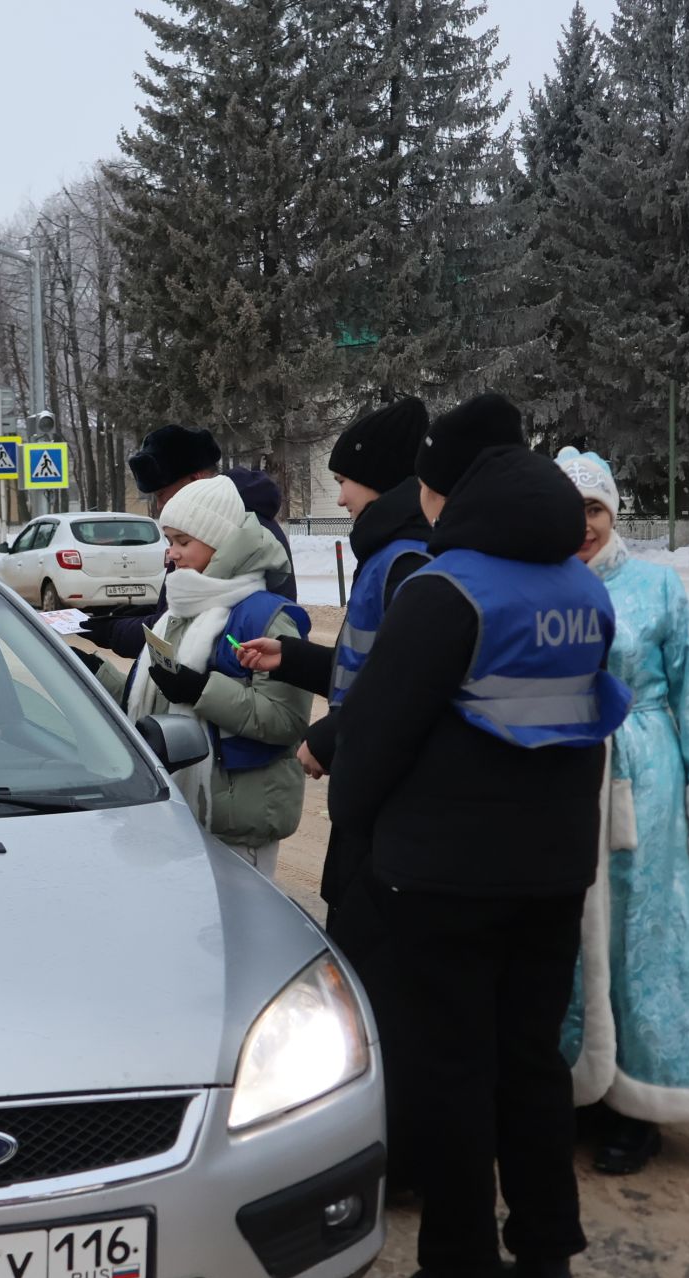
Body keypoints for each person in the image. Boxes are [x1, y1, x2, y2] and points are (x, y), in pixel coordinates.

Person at [327, 393, 630, 1278]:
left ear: (444, 492)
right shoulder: (583, 592)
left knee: (453, 1072)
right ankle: (547, 1274)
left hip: (444, 881)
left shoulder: (446, 590)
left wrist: (355, 823)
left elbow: (372, 742)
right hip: (550, 875)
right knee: (531, 1065)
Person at [231, 392, 431, 1187]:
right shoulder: (387, 554)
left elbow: (404, 683)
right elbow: (364, 669)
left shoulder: (407, 560)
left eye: (346, 480)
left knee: (382, 974)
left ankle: (399, 1151)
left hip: (384, 798)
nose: (338, 493)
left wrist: (329, 736)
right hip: (370, 791)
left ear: (379, 484)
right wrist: (302, 663)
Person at [554, 447, 689, 1175]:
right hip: (567, 776)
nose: (584, 527)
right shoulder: (542, 587)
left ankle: (643, 1103)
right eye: (571, 514)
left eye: (595, 511)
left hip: (648, 782)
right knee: (567, 934)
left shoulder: (658, 588)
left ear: (613, 513)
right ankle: (576, 1083)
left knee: (648, 932)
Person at [87, 475, 313, 872]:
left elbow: (286, 721)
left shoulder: (267, 616)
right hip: (177, 813)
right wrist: (95, 674)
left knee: (242, 933)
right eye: (169, 541)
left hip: (235, 822)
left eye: (182, 541)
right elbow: (158, 703)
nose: (170, 554)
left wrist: (202, 689)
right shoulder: (181, 609)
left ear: (221, 541)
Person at [81, 426, 298, 654]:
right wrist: (139, 613)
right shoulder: (207, 526)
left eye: (162, 493)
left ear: (195, 480)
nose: (159, 505)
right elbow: (181, 610)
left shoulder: (238, 530)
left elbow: (186, 632)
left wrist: (113, 631)